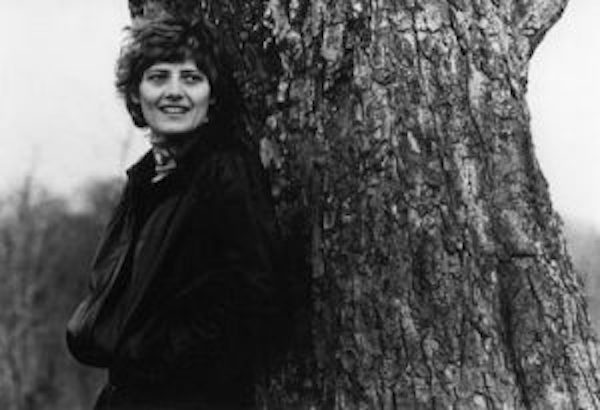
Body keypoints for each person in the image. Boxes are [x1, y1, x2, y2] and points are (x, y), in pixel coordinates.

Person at [66, 16, 283, 410]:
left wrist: (151, 353)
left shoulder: (224, 170)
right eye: (159, 77)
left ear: (211, 96)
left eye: (191, 78)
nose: (174, 92)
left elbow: (253, 295)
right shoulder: (144, 180)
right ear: (136, 95)